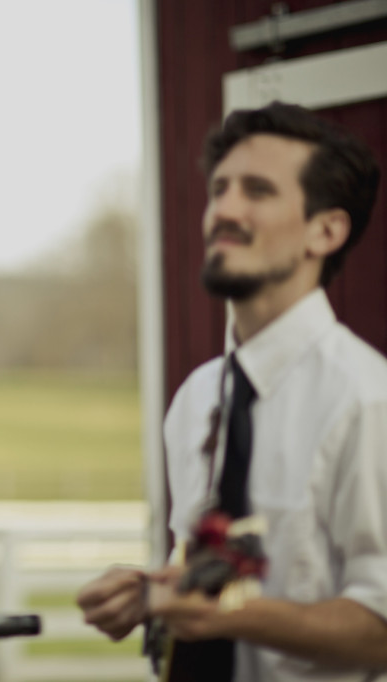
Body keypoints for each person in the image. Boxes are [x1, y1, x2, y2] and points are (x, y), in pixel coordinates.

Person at [76, 101, 387, 681]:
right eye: (220, 189)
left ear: (326, 230)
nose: (224, 209)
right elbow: (217, 575)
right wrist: (153, 593)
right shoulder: (196, 399)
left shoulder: (368, 402)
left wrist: (235, 614)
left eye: (258, 191)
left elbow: (381, 626)